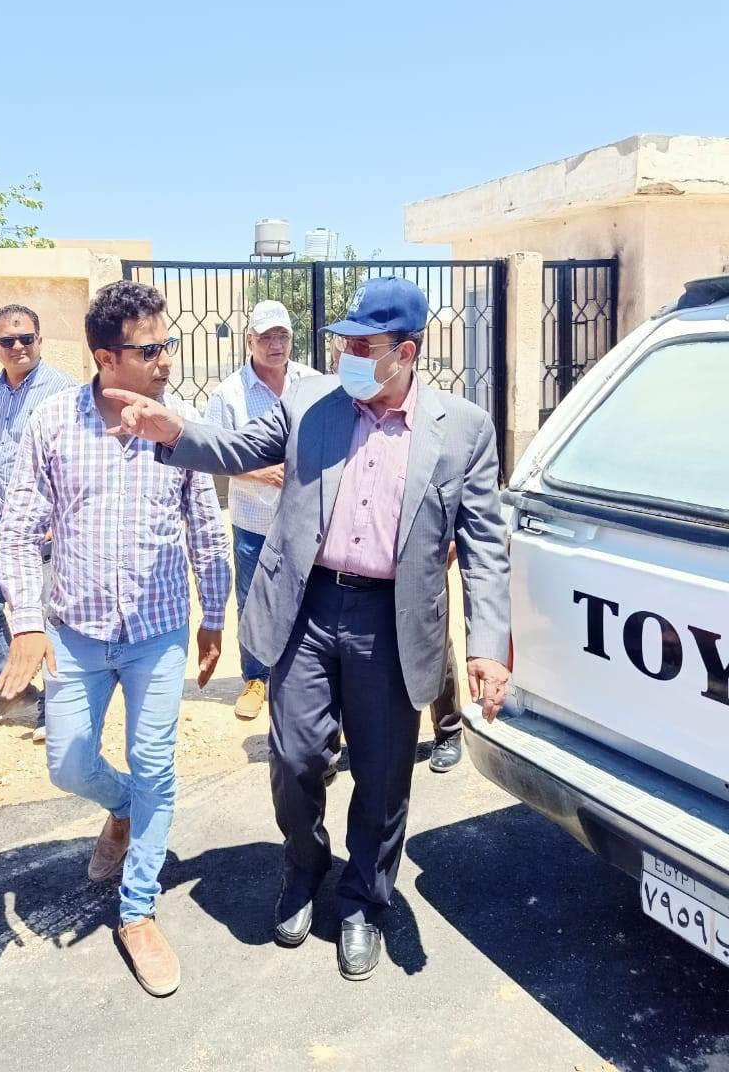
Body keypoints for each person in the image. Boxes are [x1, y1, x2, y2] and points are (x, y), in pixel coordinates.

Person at [103, 276, 510, 981]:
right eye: (343, 343)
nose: (347, 356)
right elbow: (237, 448)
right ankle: (305, 863)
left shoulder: (464, 430)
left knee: (383, 776)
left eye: (363, 346)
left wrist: (488, 646)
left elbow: (484, 544)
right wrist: (173, 433)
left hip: (392, 620)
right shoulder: (312, 405)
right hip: (308, 608)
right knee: (294, 759)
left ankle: (363, 900)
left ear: (406, 352)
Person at [0, 280, 230, 998]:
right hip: (77, 631)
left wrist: (213, 614)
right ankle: (122, 806)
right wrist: (26, 622)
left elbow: (205, 525)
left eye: (167, 345)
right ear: (106, 357)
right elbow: (17, 530)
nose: (166, 360)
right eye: (151, 349)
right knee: (68, 762)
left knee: (156, 763)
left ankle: (138, 910)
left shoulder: (178, 426)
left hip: (158, 631)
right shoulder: (54, 423)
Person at [0, 304, 75, 740]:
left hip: (44, 528)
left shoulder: (62, 391)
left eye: (27, 338)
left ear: (40, 341)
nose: (19, 347)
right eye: (8, 340)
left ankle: (57, 707)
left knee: (46, 619)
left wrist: (61, 515)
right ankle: (15, 690)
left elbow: (76, 459)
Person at [206, 300, 317, 720]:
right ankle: (255, 678)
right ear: (249, 340)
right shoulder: (228, 395)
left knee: (309, 597)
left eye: (282, 335)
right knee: (253, 601)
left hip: (305, 520)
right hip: (253, 521)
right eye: (266, 336)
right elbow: (214, 456)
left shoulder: (312, 383)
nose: (275, 344)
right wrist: (261, 473)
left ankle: (302, 675)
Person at [428, 541, 463, 772]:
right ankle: (325, 748)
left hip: (425, 547)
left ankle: (448, 730)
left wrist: (450, 537)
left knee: (434, 641)